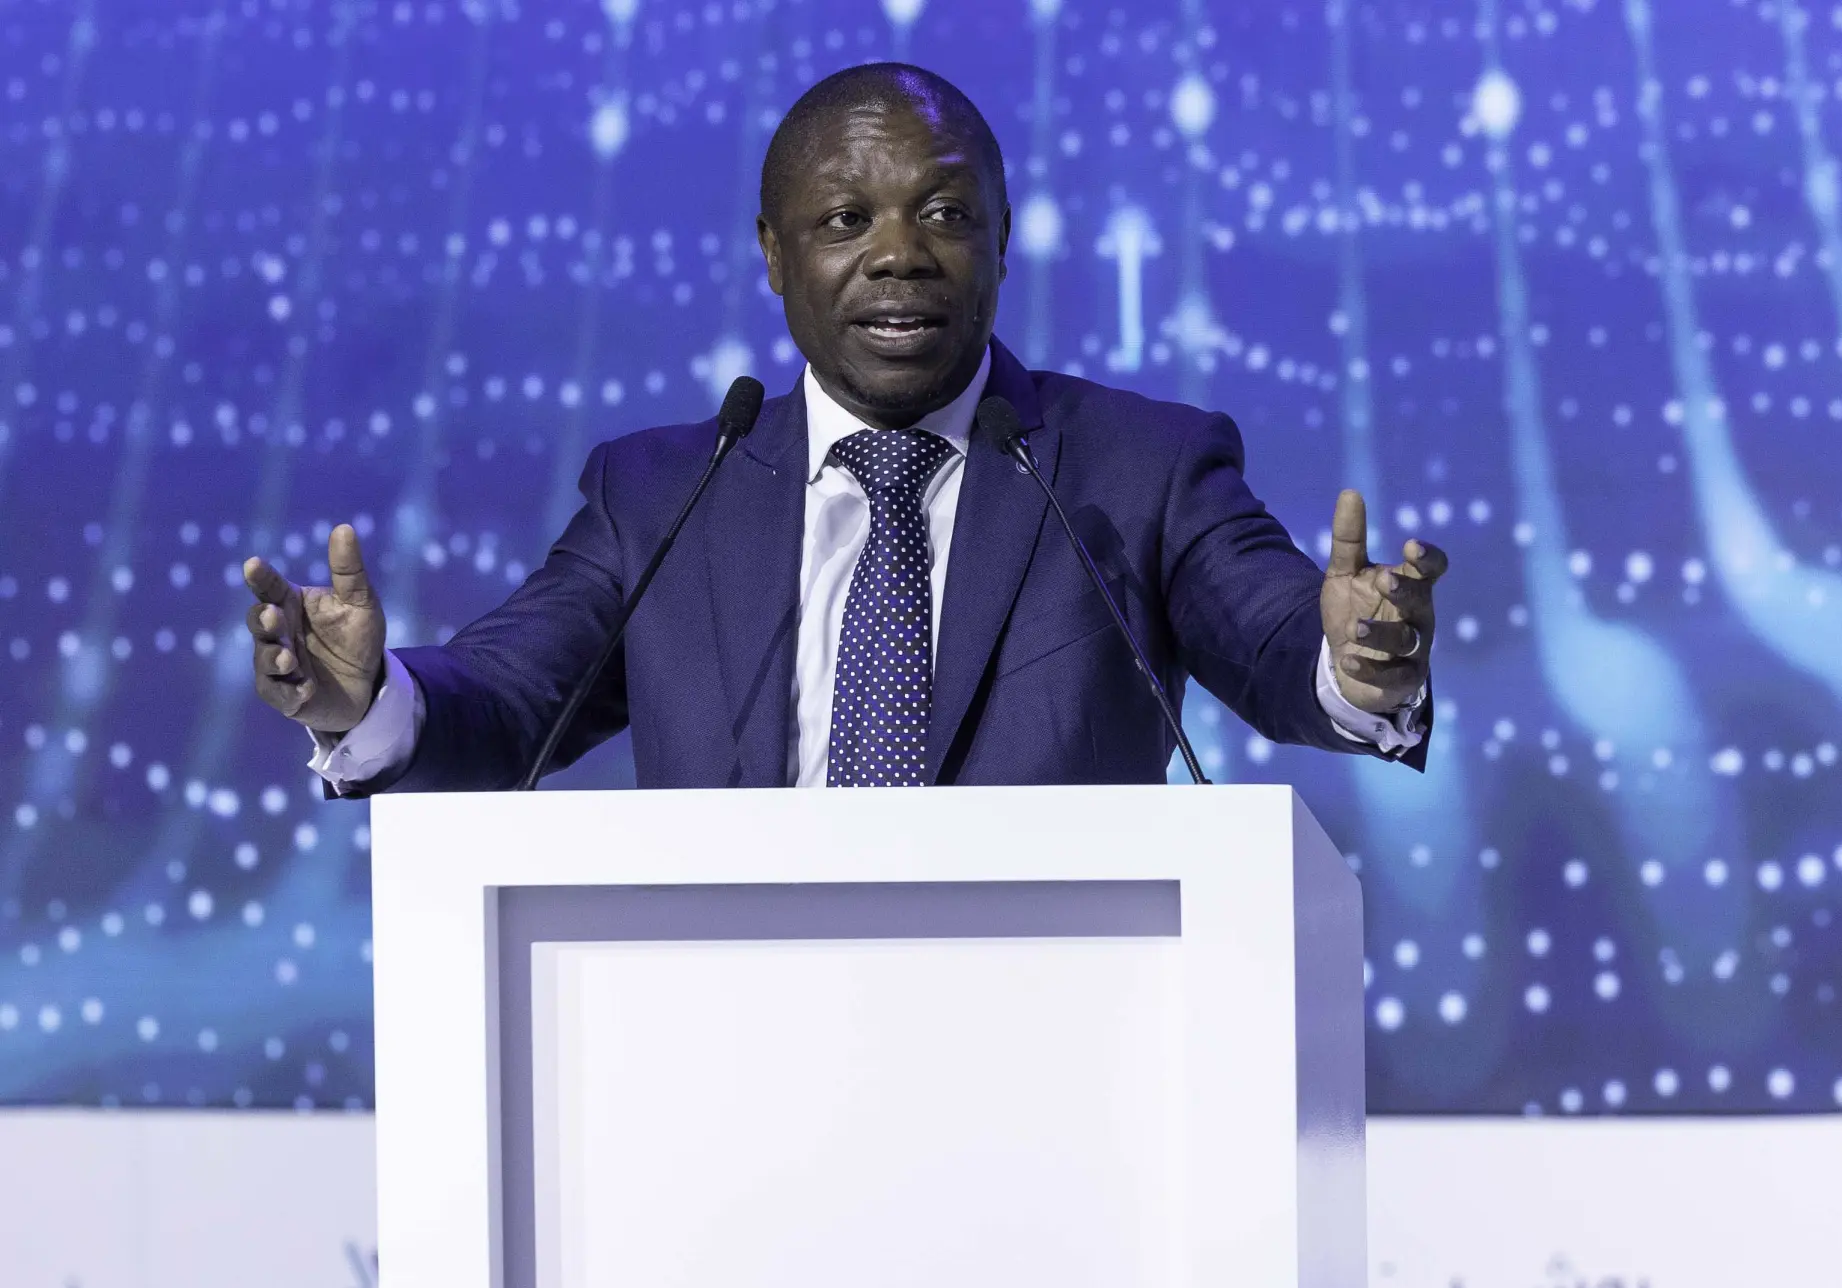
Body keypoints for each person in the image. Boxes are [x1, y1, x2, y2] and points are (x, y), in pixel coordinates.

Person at [240, 63, 1448, 792]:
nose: (899, 255)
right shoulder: (659, 496)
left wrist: (1354, 665)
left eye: (945, 214)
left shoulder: (1139, 468)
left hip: (1055, 1049)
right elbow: (510, 701)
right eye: (843, 221)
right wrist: (370, 697)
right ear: (774, 256)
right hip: (735, 1052)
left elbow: (1272, 637)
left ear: (1001, 242)